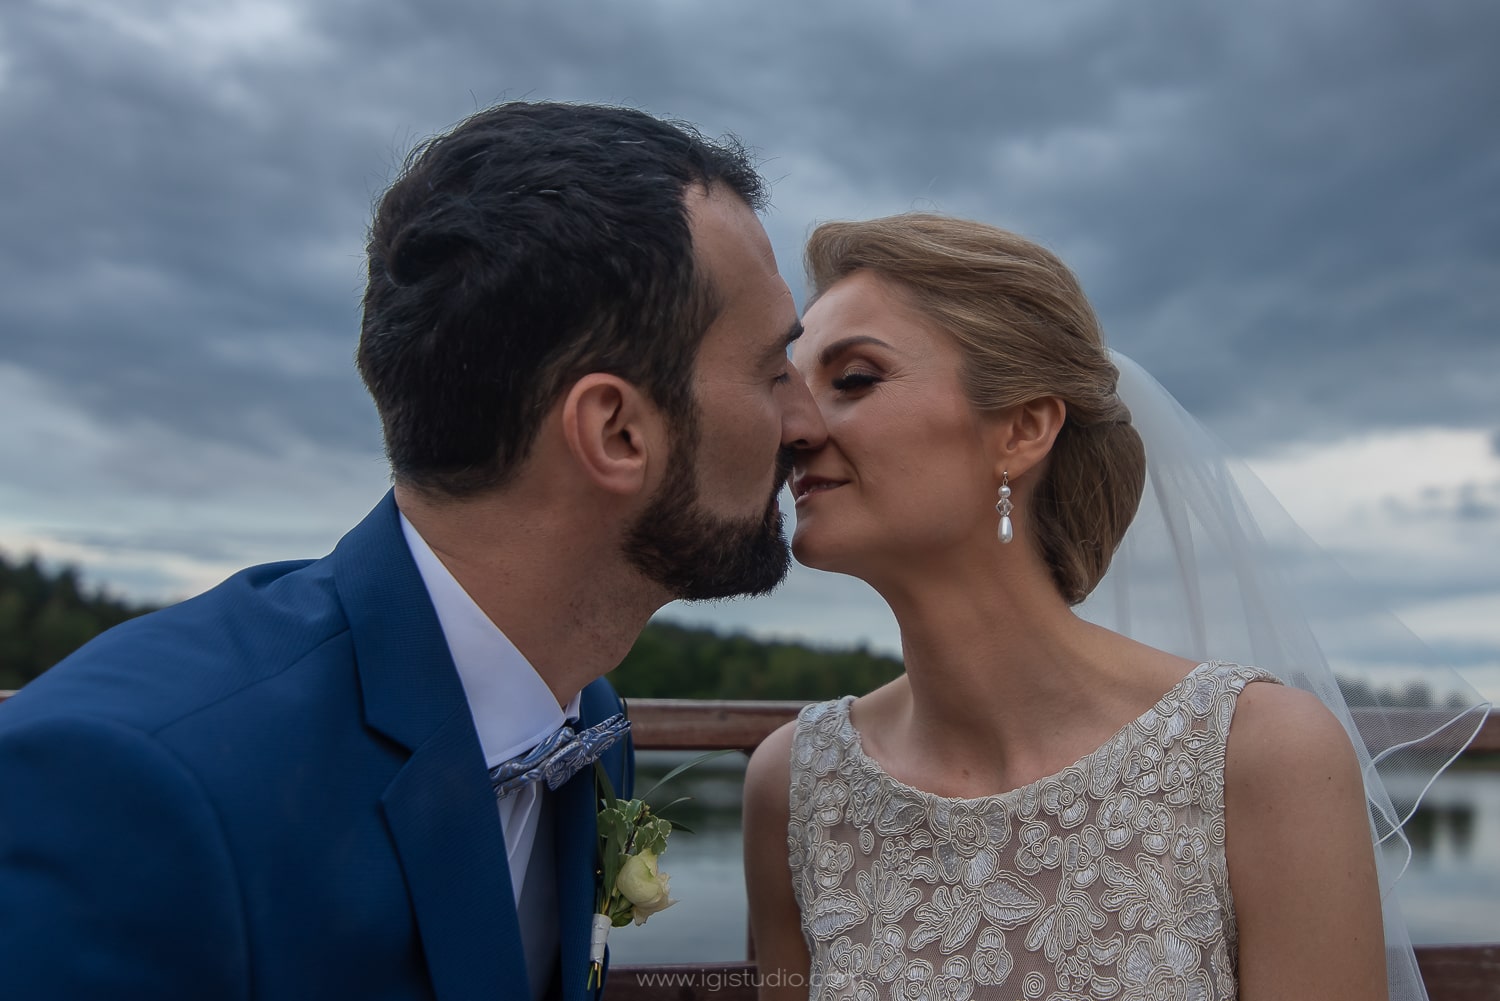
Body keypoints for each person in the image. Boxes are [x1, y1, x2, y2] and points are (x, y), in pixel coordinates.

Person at [0, 101, 826, 1000]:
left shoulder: (586, 720)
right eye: (771, 369)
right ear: (616, 431)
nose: (805, 420)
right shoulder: (124, 787)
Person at [744, 214, 1485, 1000]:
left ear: (1023, 428)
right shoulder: (794, 786)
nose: (792, 426)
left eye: (854, 379)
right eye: (787, 385)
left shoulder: (1262, 755)